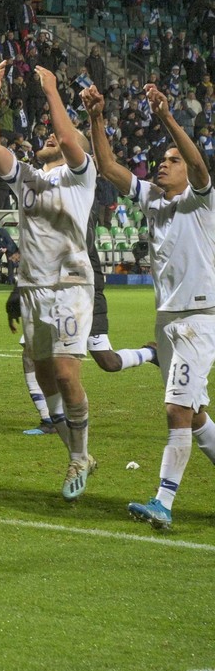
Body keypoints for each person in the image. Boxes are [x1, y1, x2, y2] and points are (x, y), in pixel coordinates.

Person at [86, 84, 215, 529]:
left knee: (175, 410)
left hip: (200, 317)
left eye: (171, 160)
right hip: (167, 321)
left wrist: (166, 118)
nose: (164, 163)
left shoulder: (201, 199)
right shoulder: (153, 199)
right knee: (195, 415)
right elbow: (106, 166)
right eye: (161, 159)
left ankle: (163, 502)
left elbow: (198, 164)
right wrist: (97, 116)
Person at [0, 61, 98, 499]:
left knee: (67, 375)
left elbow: (70, 138)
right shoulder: (28, 178)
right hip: (33, 287)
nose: (51, 139)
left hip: (70, 284)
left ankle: (75, 458)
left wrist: (52, 92)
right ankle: (79, 452)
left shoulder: (80, 175)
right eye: (47, 137)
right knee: (46, 376)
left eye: (59, 139)